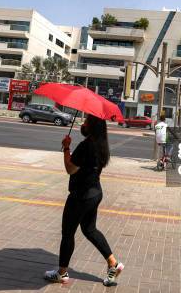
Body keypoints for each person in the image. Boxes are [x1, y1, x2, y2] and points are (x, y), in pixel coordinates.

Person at [45, 114, 124, 286]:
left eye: (86, 121)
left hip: (80, 196)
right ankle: (113, 263)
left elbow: (70, 169)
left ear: (92, 126)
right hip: (95, 193)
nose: (83, 123)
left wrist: (66, 148)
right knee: (89, 230)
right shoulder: (102, 145)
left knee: (67, 234)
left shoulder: (86, 145)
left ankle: (62, 273)